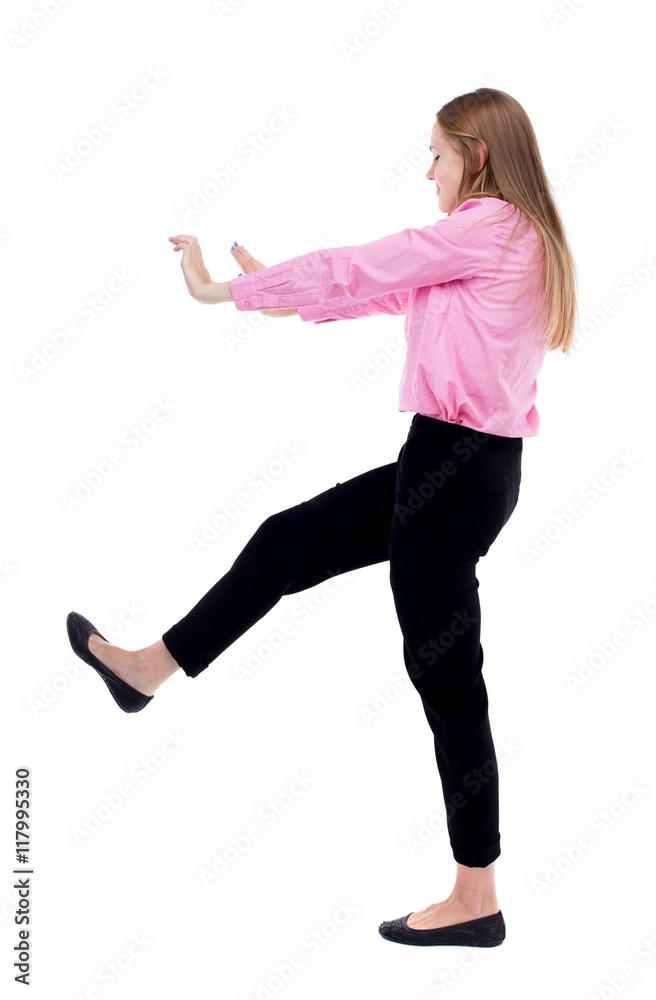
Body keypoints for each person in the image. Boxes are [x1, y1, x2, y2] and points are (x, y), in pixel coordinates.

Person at [67, 88, 578, 948]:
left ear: (477, 157)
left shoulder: (487, 225)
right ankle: (147, 670)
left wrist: (222, 292)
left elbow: (374, 262)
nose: (429, 172)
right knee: (288, 541)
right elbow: (385, 290)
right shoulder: (505, 237)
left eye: (438, 156)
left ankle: (476, 894)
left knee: (449, 680)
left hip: (454, 476)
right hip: (456, 469)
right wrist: (263, 289)